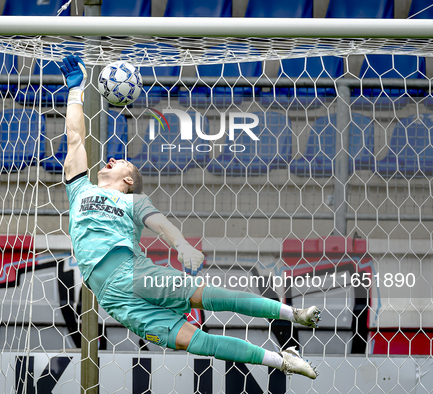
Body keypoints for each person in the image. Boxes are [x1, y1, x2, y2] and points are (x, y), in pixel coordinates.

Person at [59, 54, 320, 379]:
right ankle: (282, 361)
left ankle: (292, 313)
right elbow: (74, 138)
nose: (112, 158)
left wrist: (181, 244)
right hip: (113, 299)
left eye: (123, 162)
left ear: (128, 181)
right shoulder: (79, 189)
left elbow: (160, 223)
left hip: (133, 272)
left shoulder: (133, 201)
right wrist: (74, 90)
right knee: (193, 342)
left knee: (209, 297)